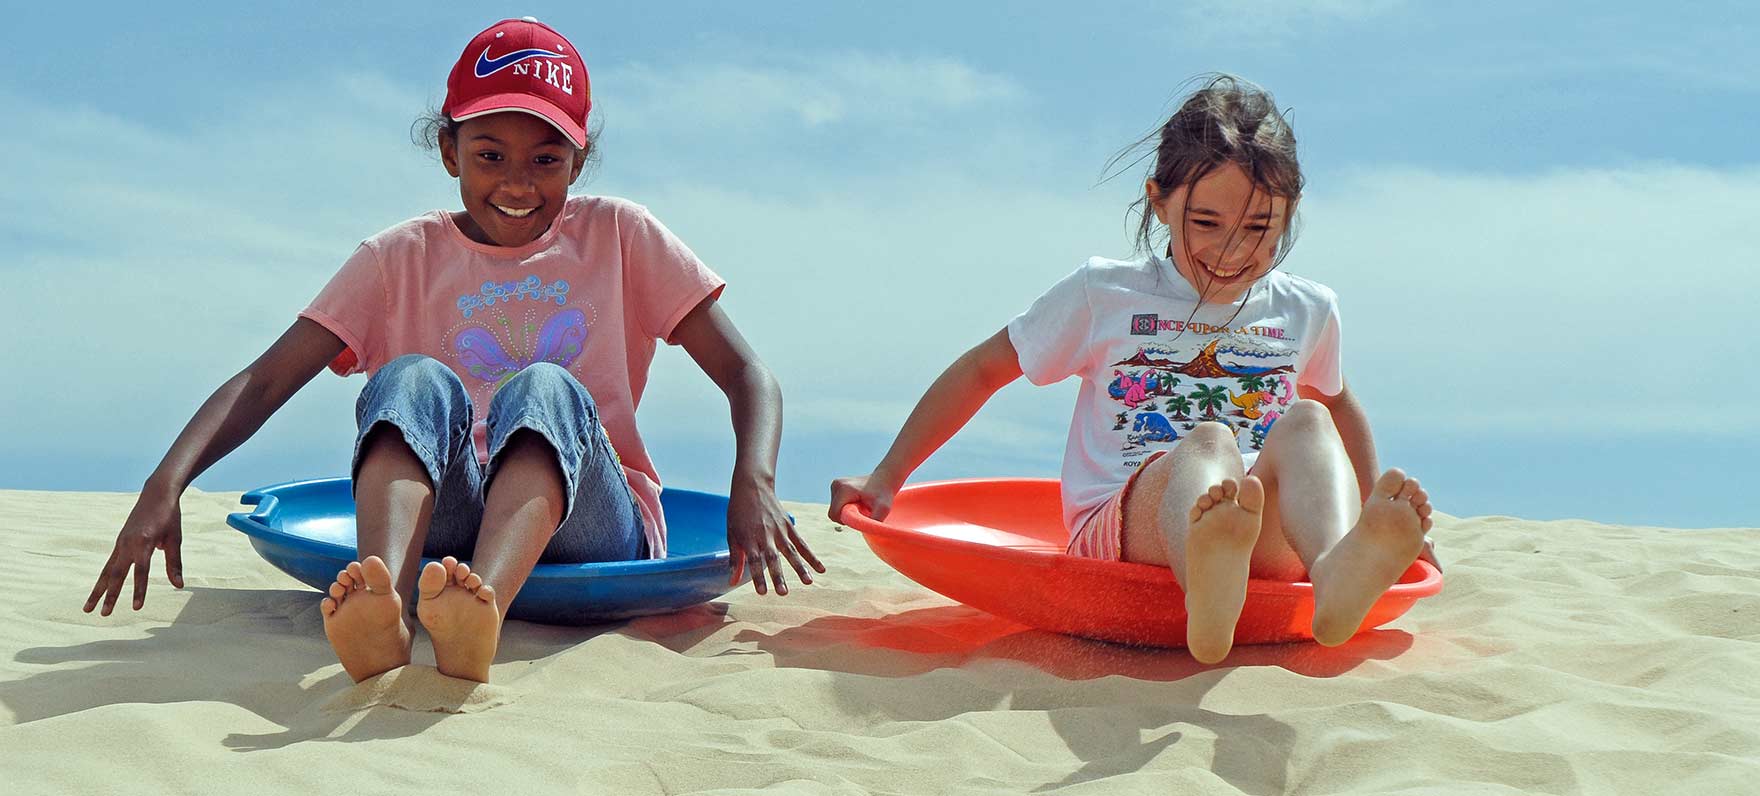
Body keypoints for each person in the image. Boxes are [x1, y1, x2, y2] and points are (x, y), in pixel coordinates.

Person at [85, 17, 823, 684]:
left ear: (578, 160)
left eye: (546, 160)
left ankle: (483, 614)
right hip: (451, 525)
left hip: (590, 520)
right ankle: (384, 602)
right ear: (449, 151)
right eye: (490, 154)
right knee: (406, 380)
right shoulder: (397, 258)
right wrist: (166, 484)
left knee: (542, 385)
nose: (516, 182)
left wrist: (753, 481)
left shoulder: (621, 236)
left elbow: (746, 373)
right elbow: (266, 380)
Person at [830, 74, 1434, 664]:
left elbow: (1338, 405)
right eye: (1206, 223)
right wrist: (887, 477)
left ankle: (1336, 567)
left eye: (1259, 229)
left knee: (1304, 418)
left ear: (1290, 212)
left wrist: (1373, 509)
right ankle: (1207, 580)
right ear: (1159, 201)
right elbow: (985, 369)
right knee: (1209, 443)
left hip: (1264, 541)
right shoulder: (1105, 292)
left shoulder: (1307, 308)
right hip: (1123, 532)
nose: (1233, 252)